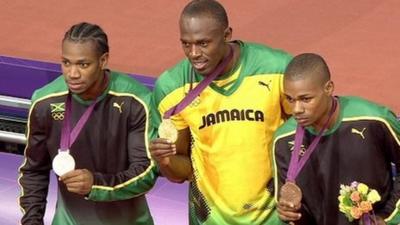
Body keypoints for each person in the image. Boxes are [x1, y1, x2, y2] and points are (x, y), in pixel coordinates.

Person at [150, 0, 292, 224]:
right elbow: (182, 171)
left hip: (274, 218)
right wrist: (165, 160)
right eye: (186, 44)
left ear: (226, 35)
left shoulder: (277, 69)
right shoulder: (171, 88)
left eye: (203, 43)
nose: (194, 53)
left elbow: (305, 138)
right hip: (211, 219)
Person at [18, 22, 157, 225]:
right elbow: (34, 170)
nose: (72, 74)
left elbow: (146, 172)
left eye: (83, 65)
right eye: (66, 63)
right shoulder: (44, 102)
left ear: (103, 60)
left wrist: (96, 185)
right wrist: (32, 221)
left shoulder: (135, 100)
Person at [273, 53, 400, 225]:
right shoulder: (282, 140)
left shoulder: (375, 120)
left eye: (305, 99)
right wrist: (287, 212)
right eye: (290, 99)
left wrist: (388, 218)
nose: (296, 109)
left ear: (328, 88)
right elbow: (289, 202)